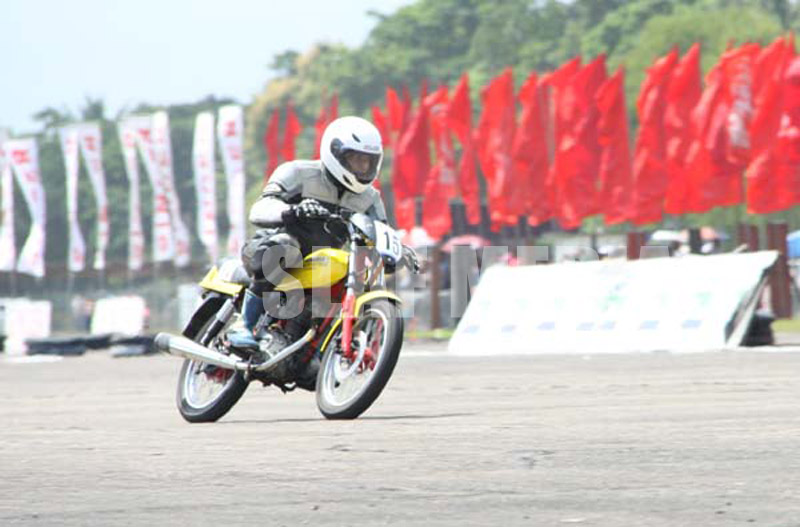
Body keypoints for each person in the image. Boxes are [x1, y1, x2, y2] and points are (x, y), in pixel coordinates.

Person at [232, 116, 417, 350]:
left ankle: (320, 343)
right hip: (269, 250)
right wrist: (292, 211)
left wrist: (400, 250)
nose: (362, 167)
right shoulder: (298, 172)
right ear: (335, 153)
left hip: (321, 261)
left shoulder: (370, 198)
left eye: (368, 162)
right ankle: (244, 325)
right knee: (285, 247)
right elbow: (259, 209)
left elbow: (380, 231)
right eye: (355, 159)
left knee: (362, 270)